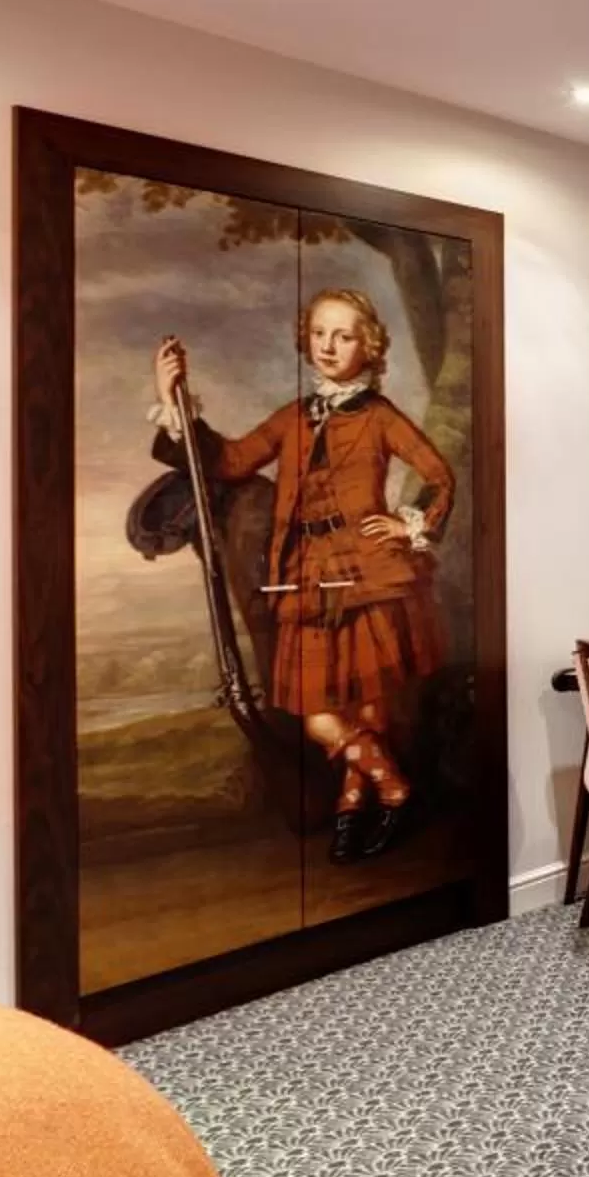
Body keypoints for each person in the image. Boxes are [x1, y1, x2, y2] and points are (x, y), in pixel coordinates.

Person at [152, 289, 456, 863]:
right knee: (319, 714)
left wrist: (408, 526)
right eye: (319, 334)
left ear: (368, 345)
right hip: (304, 578)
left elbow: (441, 476)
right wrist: (174, 403)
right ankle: (394, 788)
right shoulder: (293, 417)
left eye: (343, 336)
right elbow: (230, 461)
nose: (328, 346)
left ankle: (349, 808)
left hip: (367, 574)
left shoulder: (380, 416)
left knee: (368, 709)